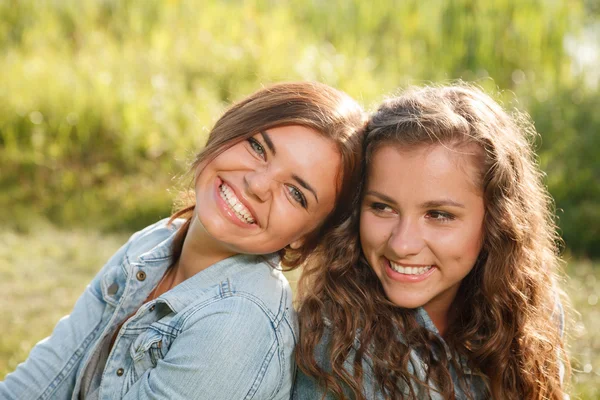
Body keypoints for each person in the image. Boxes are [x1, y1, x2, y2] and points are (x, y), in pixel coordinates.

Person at [0, 81, 366, 400]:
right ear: (228, 129)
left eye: (295, 193)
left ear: (307, 238)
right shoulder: (155, 242)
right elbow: (45, 378)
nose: (256, 184)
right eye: (257, 147)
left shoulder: (238, 324)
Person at [293, 84, 570, 399]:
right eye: (382, 207)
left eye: (438, 214)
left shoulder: (528, 310)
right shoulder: (341, 348)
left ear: (497, 221)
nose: (401, 244)